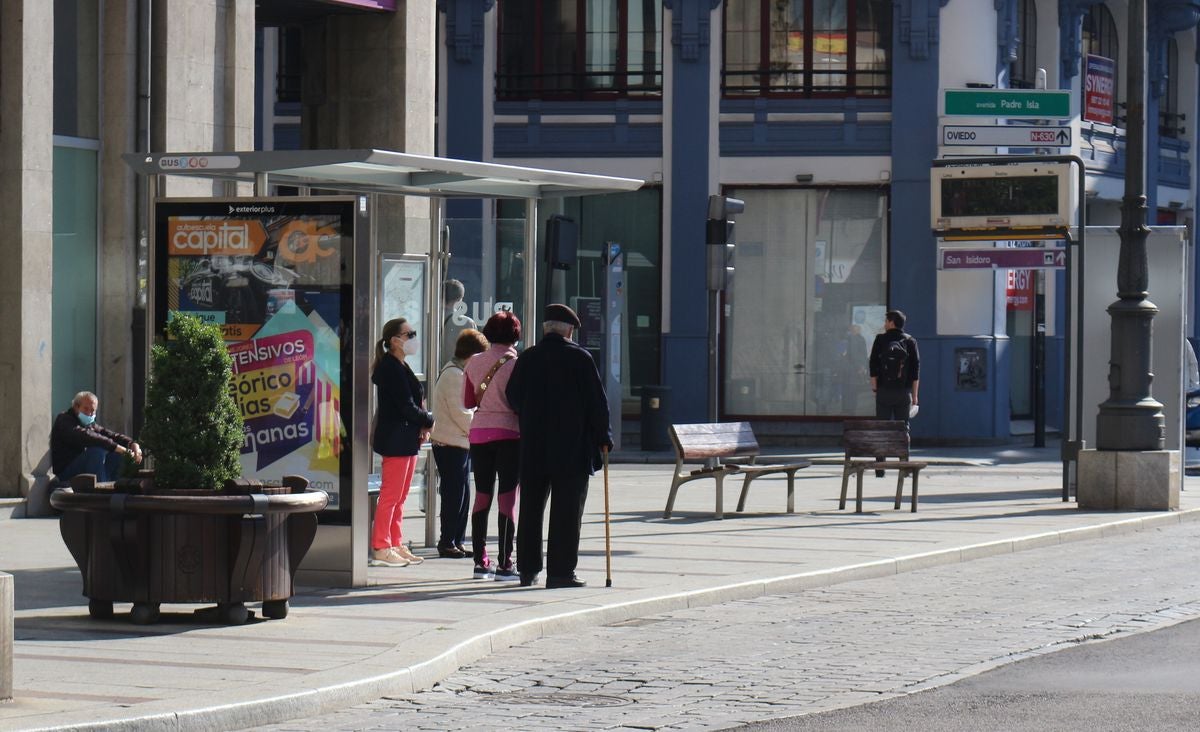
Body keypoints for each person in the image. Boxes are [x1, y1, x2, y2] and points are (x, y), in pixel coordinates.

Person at [506, 304, 611, 589]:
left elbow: (512, 396)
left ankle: (528, 570)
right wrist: (604, 436)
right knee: (567, 511)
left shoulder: (528, 358)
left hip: (534, 447)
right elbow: (597, 403)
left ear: (545, 329)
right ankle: (561, 572)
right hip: (572, 447)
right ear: (569, 329)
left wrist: (529, 414)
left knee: (530, 509)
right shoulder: (580, 358)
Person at [462, 310, 522, 581]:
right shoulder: (515, 363)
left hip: (479, 434)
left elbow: (467, 402)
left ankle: (479, 561)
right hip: (510, 434)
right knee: (507, 499)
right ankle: (505, 563)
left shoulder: (473, 361)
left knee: (482, 495)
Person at [370, 318, 434, 568]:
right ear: (395, 340)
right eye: (410, 334)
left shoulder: (400, 365)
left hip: (406, 438)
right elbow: (405, 405)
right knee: (391, 494)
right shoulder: (390, 368)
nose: (414, 338)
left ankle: (394, 542)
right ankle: (381, 545)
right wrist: (429, 419)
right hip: (396, 438)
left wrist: (423, 422)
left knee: (400, 495)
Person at [430, 328, 489, 559]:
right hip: (450, 443)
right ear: (472, 355)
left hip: (459, 443)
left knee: (463, 493)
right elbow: (462, 413)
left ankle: (458, 539)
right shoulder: (453, 375)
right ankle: (448, 541)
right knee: (454, 494)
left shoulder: (459, 372)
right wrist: (480, 431)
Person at [50, 391, 143, 483]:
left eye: (92, 410)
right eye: (86, 409)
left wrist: (132, 444)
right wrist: (121, 449)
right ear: (76, 407)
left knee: (117, 454)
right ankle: (102, 490)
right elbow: (88, 436)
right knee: (97, 451)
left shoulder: (91, 425)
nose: (89, 414)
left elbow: (111, 435)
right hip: (66, 472)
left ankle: (115, 486)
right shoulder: (64, 420)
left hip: (84, 469)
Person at [869, 309, 920, 422]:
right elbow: (915, 370)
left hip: (884, 389)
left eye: (886, 321)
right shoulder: (910, 341)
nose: (884, 324)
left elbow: (873, 363)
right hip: (903, 391)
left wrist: (875, 387)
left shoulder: (880, 339)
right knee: (902, 428)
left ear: (891, 323)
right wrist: (915, 396)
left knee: (882, 426)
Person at [441, 279, 477, 365]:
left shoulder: (428, 318)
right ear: (460, 299)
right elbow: (474, 355)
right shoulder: (467, 323)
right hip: (457, 373)